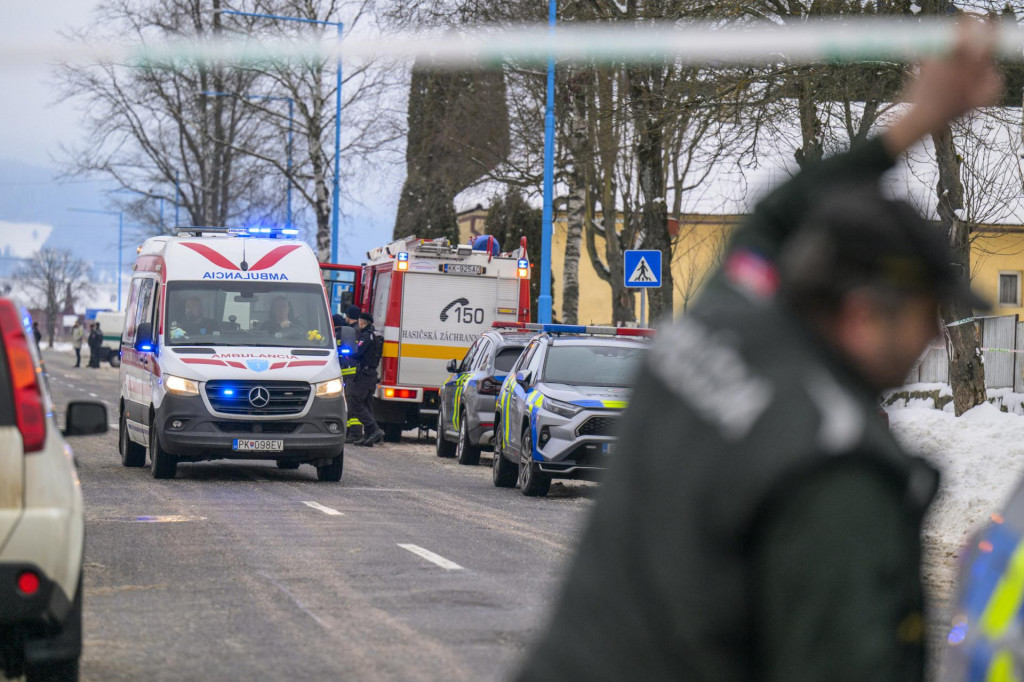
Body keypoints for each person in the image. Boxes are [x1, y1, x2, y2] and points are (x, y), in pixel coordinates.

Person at [514, 23, 1002, 682]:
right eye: (925, 318)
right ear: (863, 313)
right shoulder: (834, 468)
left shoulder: (713, 327)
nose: (931, 341)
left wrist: (915, 121)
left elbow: (777, 214)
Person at [349, 312, 385, 447]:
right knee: (367, 404)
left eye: (360, 322)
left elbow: (358, 352)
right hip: (371, 374)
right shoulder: (375, 335)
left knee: (355, 401)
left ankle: (374, 429)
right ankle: (369, 436)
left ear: (362, 322)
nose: (359, 324)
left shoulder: (366, 335)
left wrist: (346, 353)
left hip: (365, 374)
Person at [337, 305, 364, 443]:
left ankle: (355, 432)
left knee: (351, 402)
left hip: (350, 372)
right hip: (354, 372)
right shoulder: (357, 331)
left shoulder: (350, 332)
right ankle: (351, 432)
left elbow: (349, 352)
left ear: (348, 316)